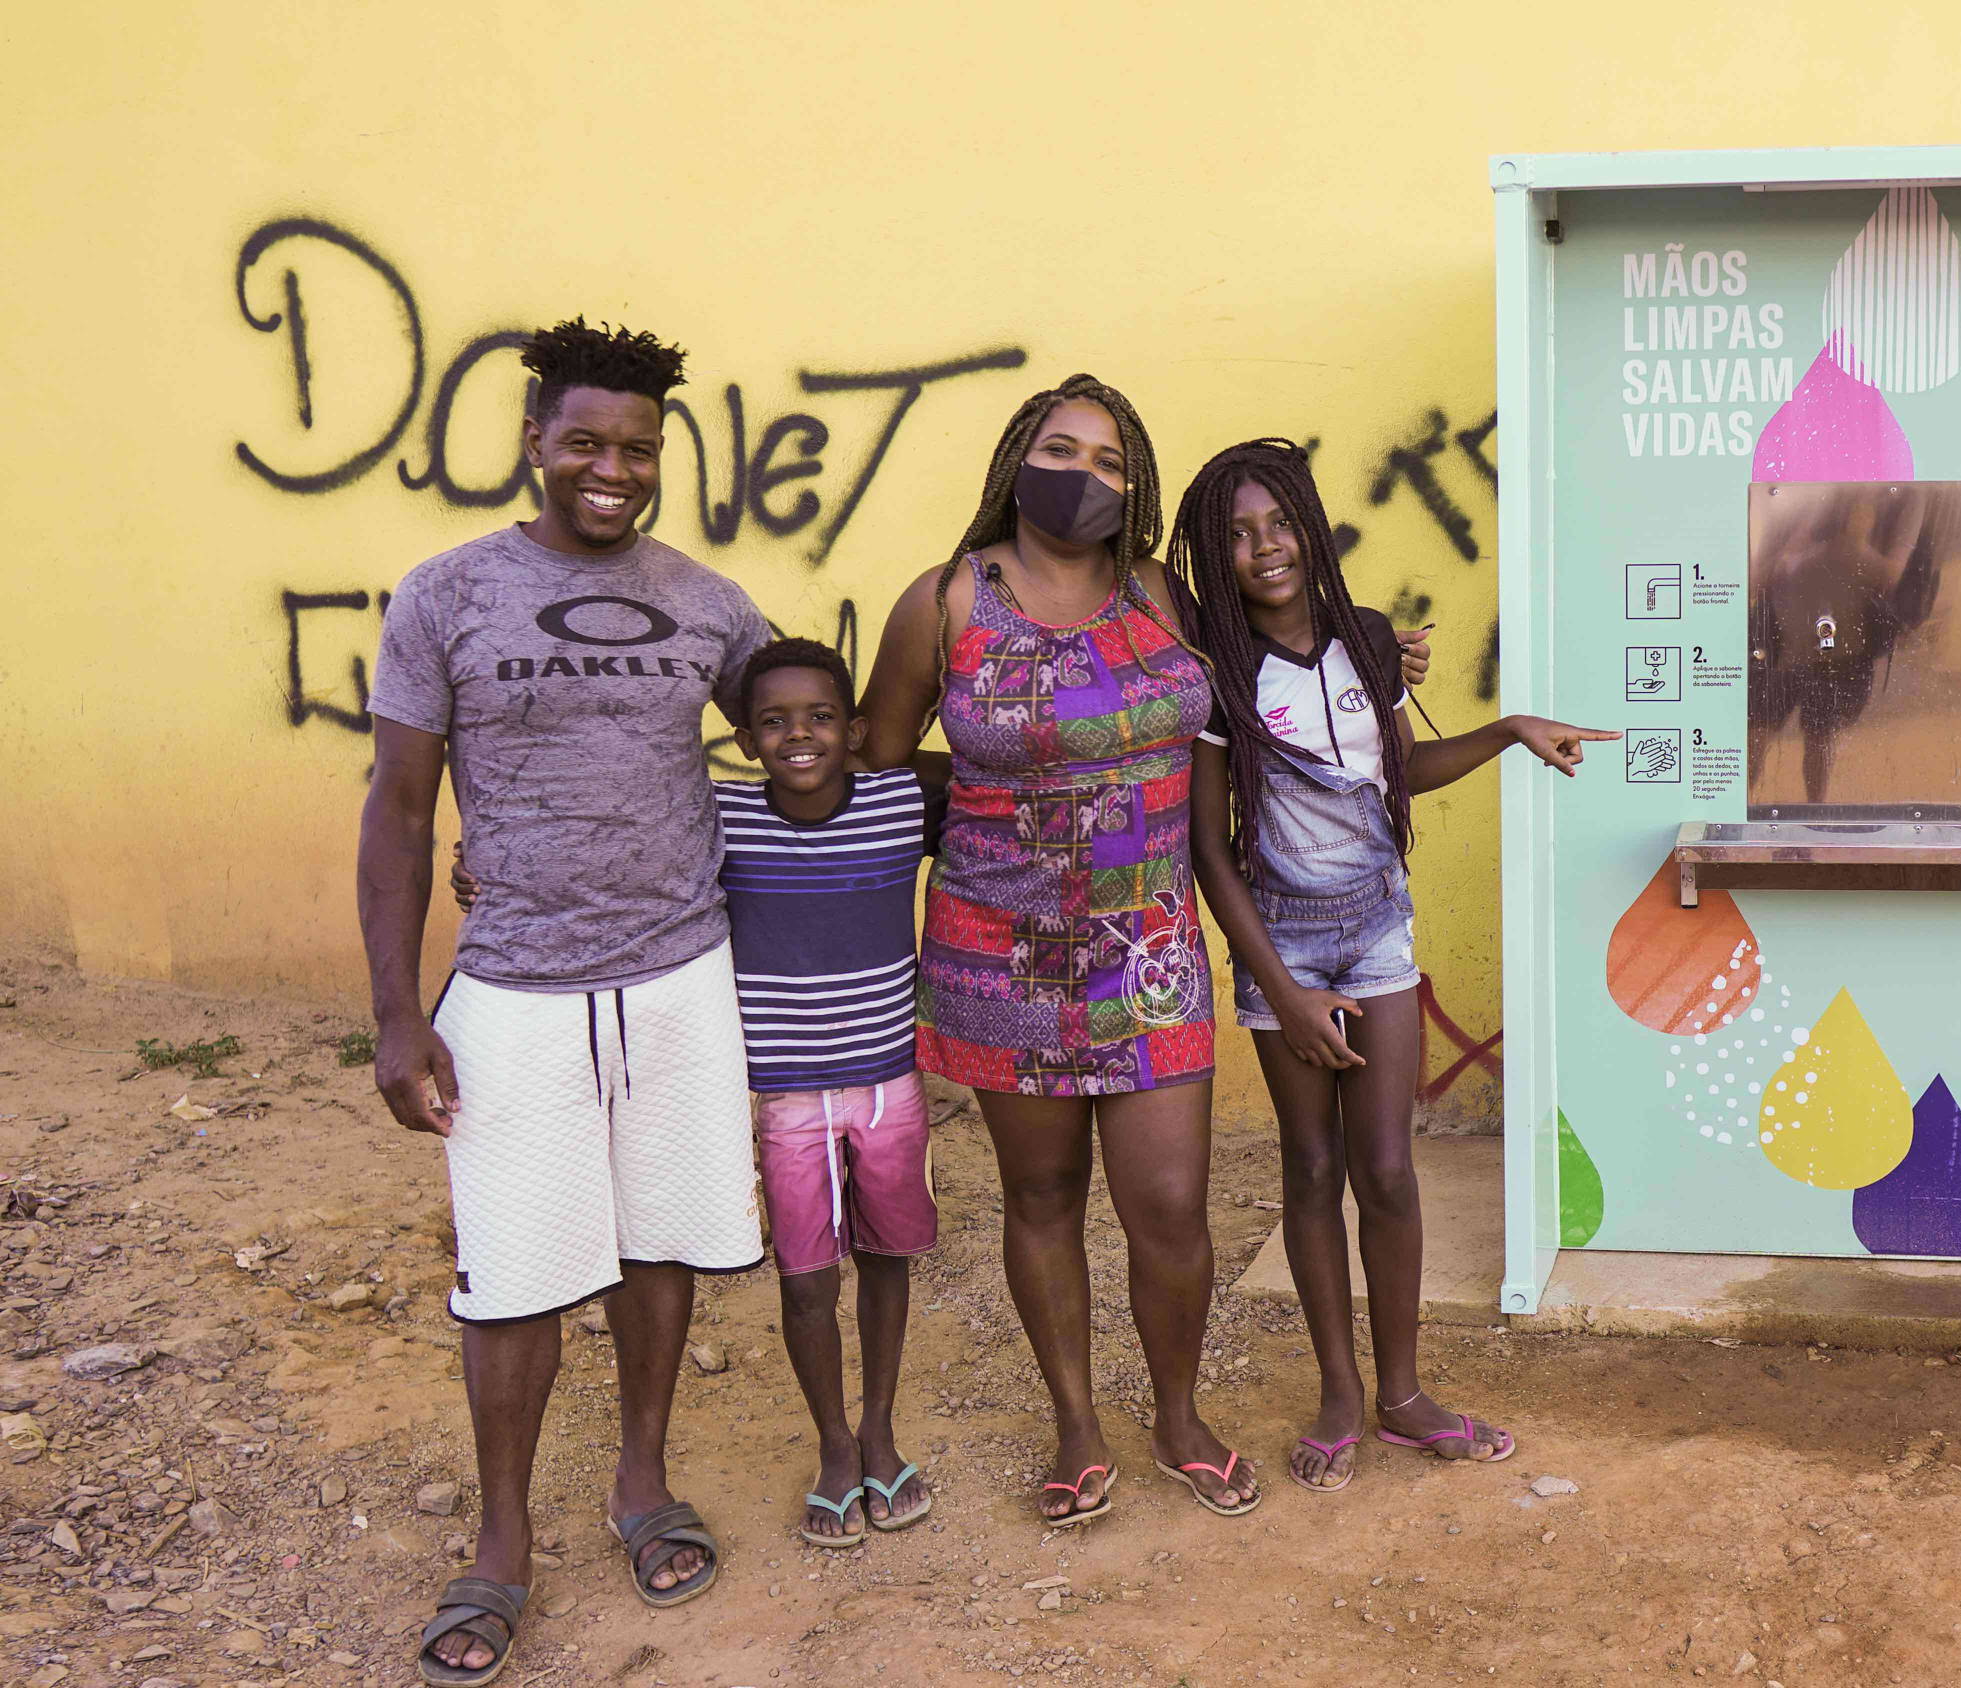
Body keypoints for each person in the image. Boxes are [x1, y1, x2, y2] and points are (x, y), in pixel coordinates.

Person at [859, 376, 1427, 1526]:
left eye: (1113, 462)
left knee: (1170, 1204)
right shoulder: (945, 601)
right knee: (1044, 1192)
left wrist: (1378, 655)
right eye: (1063, 449)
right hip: (1001, 954)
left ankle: (1177, 1415)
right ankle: (1076, 1425)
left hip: (1150, 949)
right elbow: (872, 765)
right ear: (1019, 457)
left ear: (1137, 491)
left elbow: (1286, 662)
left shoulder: (1163, 593)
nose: (1086, 475)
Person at [360, 320, 765, 1686]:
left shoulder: (710, 603)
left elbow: (809, 738)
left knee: (656, 1244)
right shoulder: (446, 595)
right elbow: (401, 815)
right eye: (585, 442)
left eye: (637, 448)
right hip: (517, 988)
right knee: (515, 1273)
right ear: (533, 442)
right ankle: (500, 1544)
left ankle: (641, 1485)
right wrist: (395, 1011)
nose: (612, 469)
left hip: (678, 975)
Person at [1166, 439, 1612, 1493]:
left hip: (1375, 931)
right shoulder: (1220, 675)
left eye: (1279, 523)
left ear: (1311, 527)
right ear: (1213, 555)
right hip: (1281, 939)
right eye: (1237, 533)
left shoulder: (1366, 638)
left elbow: (1396, 772)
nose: (1264, 547)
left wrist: (1507, 729)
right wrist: (1281, 988)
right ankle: (1338, 1391)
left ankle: (1404, 1393)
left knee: (1391, 1170)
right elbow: (1208, 851)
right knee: (1312, 1170)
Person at [455, 635, 943, 1549]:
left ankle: (879, 1431)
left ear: (861, 730)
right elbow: (611, 845)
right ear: (747, 741)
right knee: (805, 1282)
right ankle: (834, 1446)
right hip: (784, 1102)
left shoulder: (905, 799)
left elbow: (1011, 794)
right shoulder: (720, 822)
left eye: (821, 718)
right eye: (774, 723)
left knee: (887, 1262)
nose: (800, 736)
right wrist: (487, 860)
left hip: (890, 1090)